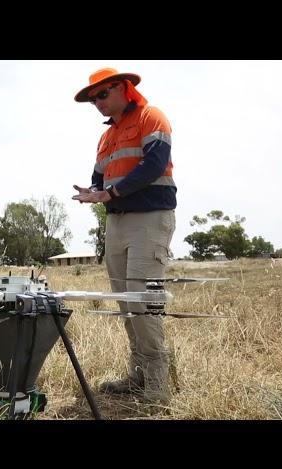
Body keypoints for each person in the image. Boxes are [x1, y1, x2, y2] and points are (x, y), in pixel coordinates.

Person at [71, 67, 177, 405]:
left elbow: (154, 165)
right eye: (93, 99)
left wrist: (110, 193)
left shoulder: (151, 116)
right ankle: (139, 375)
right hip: (115, 223)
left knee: (143, 302)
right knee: (126, 303)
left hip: (149, 219)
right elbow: (100, 179)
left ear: (124, 88)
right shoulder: (106, 137)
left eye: (103, 94)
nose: (97, 102)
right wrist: (94, 191)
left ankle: (158, 386)